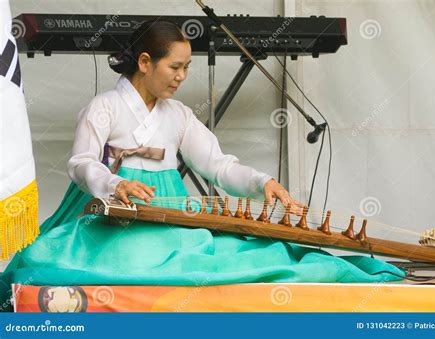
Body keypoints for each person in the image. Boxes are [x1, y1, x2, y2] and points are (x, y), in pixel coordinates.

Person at [0, 20, 404, 311]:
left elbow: (218, 166)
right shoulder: (103, 107)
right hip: (109, 215)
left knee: (253, 253)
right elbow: (80, 162)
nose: (182, 76)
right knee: (54, 263)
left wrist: (262, 182)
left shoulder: (177, 115)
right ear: (144, 62)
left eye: (187, 67)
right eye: (175, 67)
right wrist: (112, 183)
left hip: (169, 213)